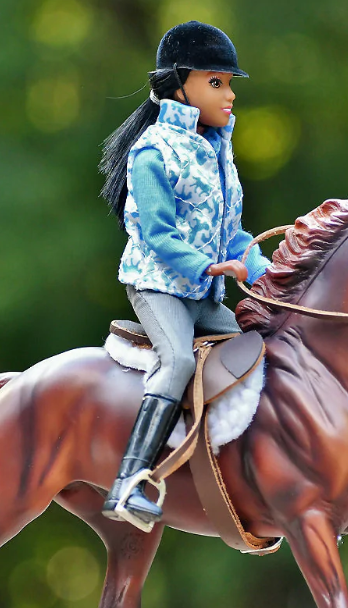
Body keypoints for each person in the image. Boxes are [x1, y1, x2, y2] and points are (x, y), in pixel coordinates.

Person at [98, 20, 272, 528]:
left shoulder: (218, 150)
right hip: (158, 286)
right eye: (216, 82)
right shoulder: (153, 151)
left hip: (203, 293)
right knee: (175, 361)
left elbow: (233, 234)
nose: (230, 94)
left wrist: (270, 276)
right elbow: (158, 232)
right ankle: (130, 481)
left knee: (260, 349)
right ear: (179, 85)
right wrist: (207, 266)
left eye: (229, 83)